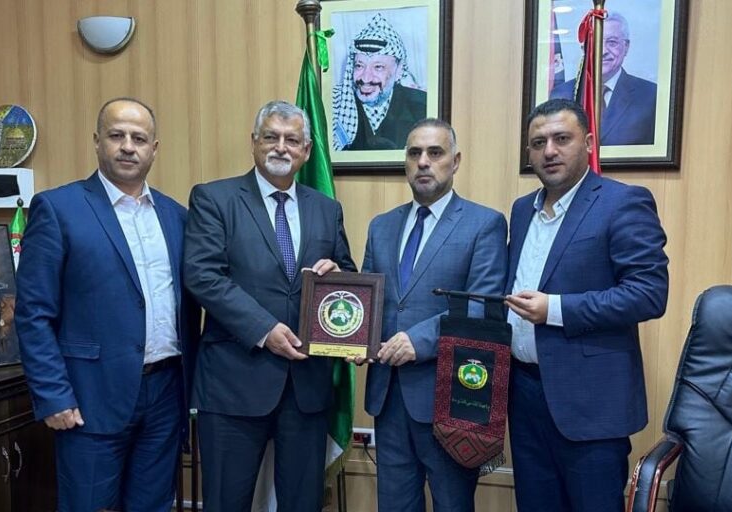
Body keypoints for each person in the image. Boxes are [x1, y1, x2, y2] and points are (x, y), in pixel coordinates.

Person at [15, 97, 198, 512]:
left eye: (139, 138)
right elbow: (33, 312)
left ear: (155, 148)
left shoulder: (176, 216)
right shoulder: (59, 209)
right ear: (98, 141)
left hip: (166, 393)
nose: (128, 146)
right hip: (89, 398)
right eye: (117, 135)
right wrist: (53, 395)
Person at [183, 100, 357, 512]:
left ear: (307, 151)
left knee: (303, 503)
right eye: (271, 137)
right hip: (233, 384)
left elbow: (348, 276)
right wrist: (264, 330)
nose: (281, 147)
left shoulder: (326, 208)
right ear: (254, 142)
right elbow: (203, 276)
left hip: (307, 388)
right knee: (226, 502)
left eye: (292, 140)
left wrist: (337, 275)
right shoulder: (215, 199)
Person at [505, 98, 668, 512]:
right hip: (524, 396)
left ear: (589, 143)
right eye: (538, 142)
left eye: (562, 139)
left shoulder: (622, 202)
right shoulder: (522, 211)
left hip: (590, 404)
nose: (549, 151)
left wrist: (555, 310)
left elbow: (649, 293)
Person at [354, 118, 507, 511]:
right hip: (388, 397)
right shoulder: (381, 226)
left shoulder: (484, 224)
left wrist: (418, 341)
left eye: (435, 152)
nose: (423, 161)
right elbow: (371, 300)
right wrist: (353, 334)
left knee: (452, 505)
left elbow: (481, 305)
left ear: (455, 161)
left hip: (451, 398)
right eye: (414, 153)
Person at [551, 11, 657, 145]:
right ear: (584, 48)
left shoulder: (651, 96)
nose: (603, 51)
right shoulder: (561, 94)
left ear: (626, 47)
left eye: (612, 42)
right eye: (595, 42)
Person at [332, 12, 427, 151]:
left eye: (378, 67)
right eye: (359, 66)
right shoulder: (336, 105)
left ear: (399, 70)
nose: (365, 78)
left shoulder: (422, 105)